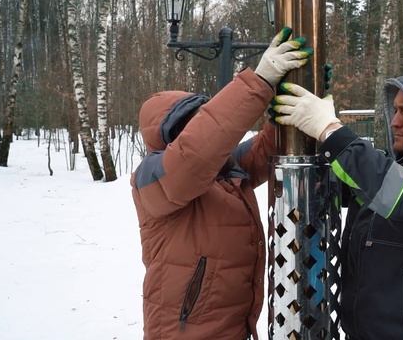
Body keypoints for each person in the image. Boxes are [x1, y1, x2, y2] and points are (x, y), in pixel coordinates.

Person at [271, 69, 403, 339]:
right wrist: (297, 126)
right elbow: (326, 185)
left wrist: (331, 130)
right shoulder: (383, 168)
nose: (395, 121)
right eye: (395, 111)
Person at [131, 27, 312, 340]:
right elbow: (195, 154)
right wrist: (260, 81)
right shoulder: (153, 177)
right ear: (170, 135)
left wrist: (300, 91)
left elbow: (266, 151)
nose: (203, 129)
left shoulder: (226, 170)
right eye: (192, 123)